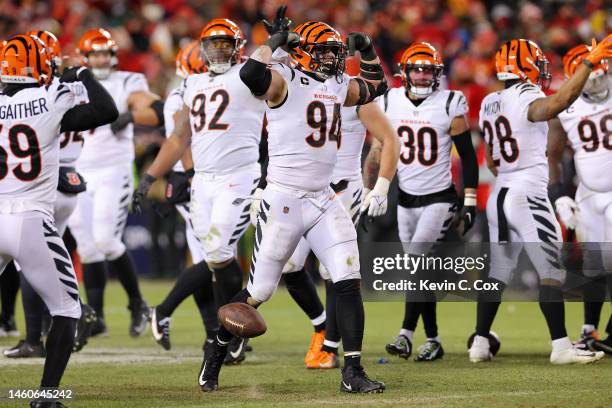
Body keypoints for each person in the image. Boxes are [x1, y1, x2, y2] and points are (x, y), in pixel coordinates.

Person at [173, 7, 390, 392]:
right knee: (258, 293)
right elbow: (250, 73)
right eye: (324, 51)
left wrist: (368, 50)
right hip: (284, 200)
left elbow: (376, 87)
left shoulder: (337, 83)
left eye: (335, 51)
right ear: (304, 51)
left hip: (324, 198)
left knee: (348, 277)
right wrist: (275, 42)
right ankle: (217, 350)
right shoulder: (284, 78)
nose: (333, 58)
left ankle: (352, 372)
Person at [469, 36, 611, 364]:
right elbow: (555, 104)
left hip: (499, 194)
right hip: (526, 194)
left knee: (497, 271)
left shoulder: (490, 100)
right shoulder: (526, 96)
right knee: (552, 271)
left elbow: (491, 160)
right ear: (525, 66)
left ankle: (479, 343)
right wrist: (588, 63)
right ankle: (561, 347)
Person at [133, 18, 266, 363]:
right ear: (201, 50)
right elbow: (179, 137)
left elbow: (270, 69)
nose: (219, 50)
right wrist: (149, 178)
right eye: (213, 44)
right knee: (213, 256)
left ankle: (224, 329)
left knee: (220, 251)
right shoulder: (192, 84)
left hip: (238, 176)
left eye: (226, 44)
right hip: (203, 181)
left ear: (238, 48)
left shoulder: (248, 76)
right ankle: (227, 330)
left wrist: (276, 42)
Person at [0, 33, 117, 407]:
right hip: (31, 219)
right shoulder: (49, 98)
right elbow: (106, 111)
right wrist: (81, 73)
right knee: (67, 310)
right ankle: (46, 397)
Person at [279, 98, 399, 369]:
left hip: (343, 187)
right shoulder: (300, 84)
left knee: (335, 270)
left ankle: (329, 346)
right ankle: (321, 325)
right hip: (303, 185)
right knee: (289, 264)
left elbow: (383, 141)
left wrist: (376, 188)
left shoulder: (354, 89)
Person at [382, 42, 479, 362]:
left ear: (438, 74)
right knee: (420, 271)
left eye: (428, 70)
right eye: (417, 69)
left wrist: (469, 199)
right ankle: (433, 340)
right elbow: (377, 149)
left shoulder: (450, 103)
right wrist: (374, 190)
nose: (422, 76)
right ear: (404, 73)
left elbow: (467, 156)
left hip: (440, 198)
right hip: (406, 198)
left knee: (415, 262)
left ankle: (404, 335)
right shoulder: (390, 100)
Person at [67, 28, 163, 337]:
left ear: (112, 55)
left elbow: (153, 109)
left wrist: (132, 116)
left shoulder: (128, 80)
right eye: (94, 54)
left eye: (104, 53)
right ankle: (96, 319)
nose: (99, 59)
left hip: (114, 171)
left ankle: (137, 303)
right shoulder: (73, 82)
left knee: (106, 240)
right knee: (87, 246)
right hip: (80, 170)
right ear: (85, 57)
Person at [149, 40, 219, 353]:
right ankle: (163, 310)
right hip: (193, 179)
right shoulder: (185, 96)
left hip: (199, 178)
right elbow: (184, 140)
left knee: (208, 260)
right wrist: (193, 176)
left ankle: (213, 335)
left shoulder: (185, 92)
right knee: (214, 259)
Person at [547, 43, 612, 355]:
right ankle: (590, 329)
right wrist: (559, 194)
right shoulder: (566, 105)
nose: (599, 82)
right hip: (587, 192)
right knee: (594, 265)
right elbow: (554, 156)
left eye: (603, 74)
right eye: (592, 77)